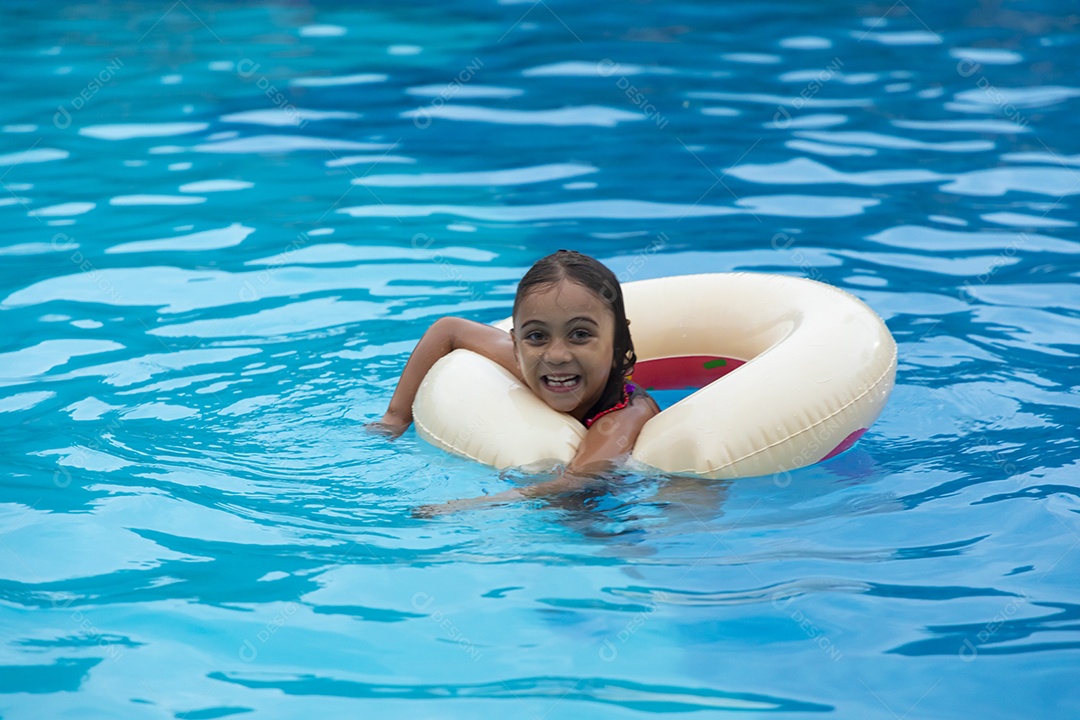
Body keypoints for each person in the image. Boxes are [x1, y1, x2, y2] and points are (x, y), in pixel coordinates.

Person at [369, 249, 660, 514]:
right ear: (516, 346)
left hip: (619, 503)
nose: (556, 355)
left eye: (580, 334)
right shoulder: (531, 363)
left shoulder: (627, 413)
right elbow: (448, 330)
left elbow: (578, 481)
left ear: (619, 341)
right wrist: (394, 419)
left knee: (578, 515)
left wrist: (470, 505)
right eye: (536, 336)